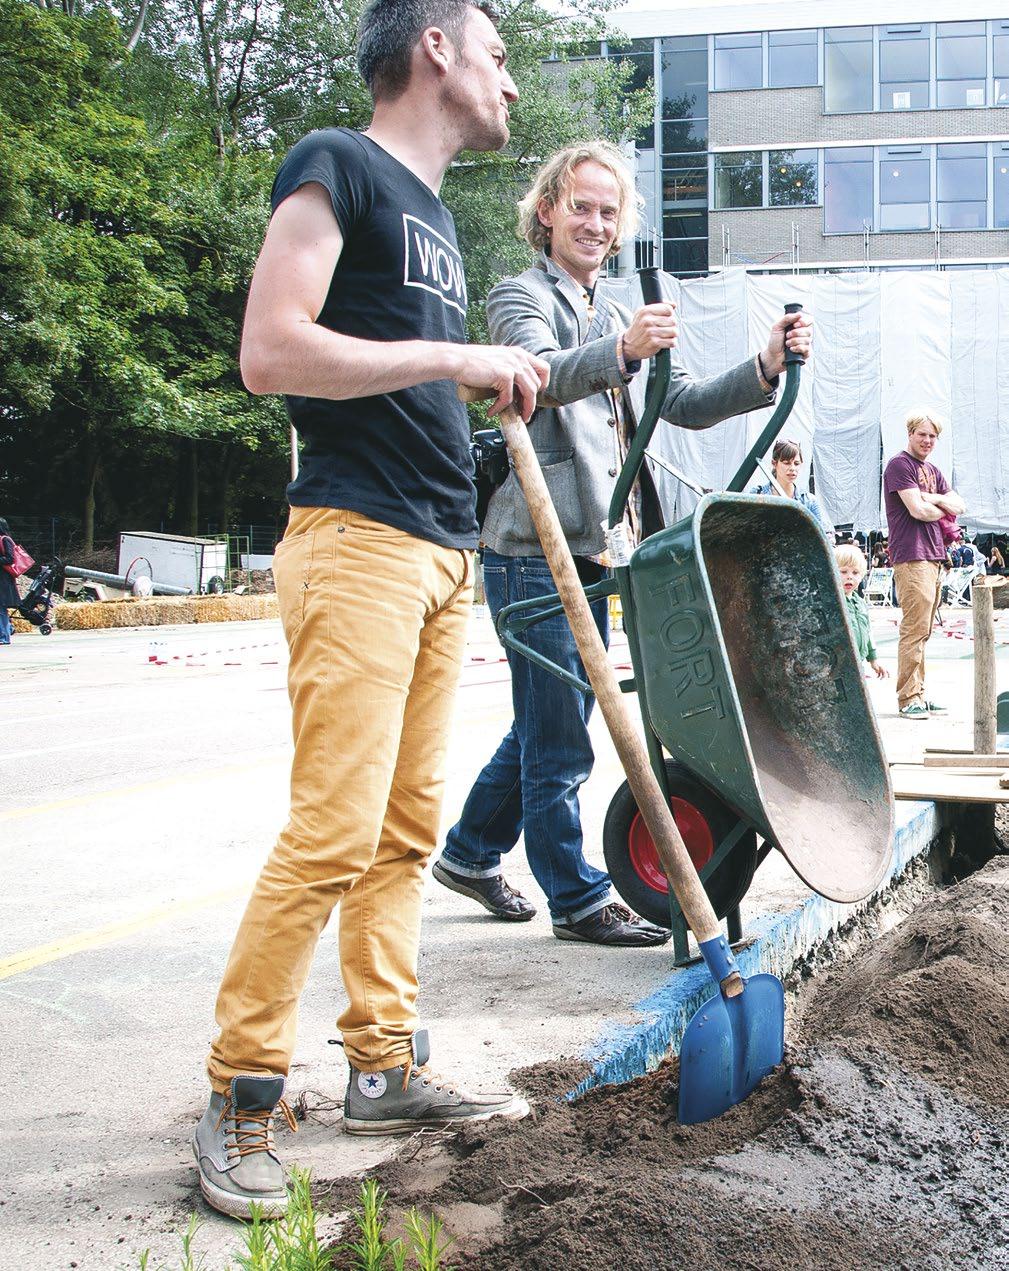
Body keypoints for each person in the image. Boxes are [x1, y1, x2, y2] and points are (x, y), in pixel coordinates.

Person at [192, 0, 551, 1222]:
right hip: (353, 546)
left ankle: (382, 1062)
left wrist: (480, 406)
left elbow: (396, 375)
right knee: (332, 833)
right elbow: (271, 350)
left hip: (440, 554)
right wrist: (454, 360)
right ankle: (241, 1090)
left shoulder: (442, 218)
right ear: (434, 48)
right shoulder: (333, 165)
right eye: (495, 50)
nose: (510, 77)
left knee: (403, 835)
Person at [433, 140, 812, 946]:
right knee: (561, 724)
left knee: (553, 711)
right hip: (530, 544)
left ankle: (469, 849)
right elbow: (534, 373)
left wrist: (763, 364)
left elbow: (682, 401)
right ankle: (573, 896)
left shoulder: (609, 311)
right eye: (580, 207)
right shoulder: (517, 296)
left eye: (609, 212)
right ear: (546, 212)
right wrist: (621, 351)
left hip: (599, 543)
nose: (595, 224)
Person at [883, 411, 965, 720]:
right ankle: (908, 698)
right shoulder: (899, 465)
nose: (927, 440)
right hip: (912, 554)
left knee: (924, 630)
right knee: (914, 628)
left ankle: (919, 691)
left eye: (932, 436)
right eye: (922, 434)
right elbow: (917, 511)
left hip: (934, 556)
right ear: (910, 433)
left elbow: (959, 505)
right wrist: (940, 504)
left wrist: (935, 501)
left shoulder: (932, 469)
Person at [752, 438, 833, 539]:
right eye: (786, 463)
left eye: (796, 463)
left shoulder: (809, 501)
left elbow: (818, 539)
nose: (792, 468)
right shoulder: (757, 494)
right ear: (774, 463)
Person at [836, 544, 888, 680]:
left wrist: (873, 659)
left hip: (858, 662)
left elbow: (868, 632)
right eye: (843, 572)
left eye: (855, 573)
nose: (849, 577)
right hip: (838, 663)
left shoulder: (861, 603)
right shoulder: (833, 601)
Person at [0, 518, 19, 645]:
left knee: (1, 608)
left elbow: (10, 558)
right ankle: (8, 629)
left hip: (4, 580)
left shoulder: (5, 540)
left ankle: (4, 636)